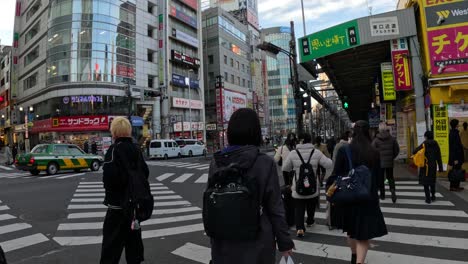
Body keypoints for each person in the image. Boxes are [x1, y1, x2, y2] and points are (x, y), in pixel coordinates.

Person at [208, 108, 294, 264]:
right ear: (256, 132)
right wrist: (284, 242)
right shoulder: (264, 162)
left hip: (223, 243)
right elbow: (275, 207)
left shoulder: (217, 162)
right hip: (258, 242)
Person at [327, 120, 387, 264]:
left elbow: (336, 174)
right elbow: (379, 179)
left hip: (349, 198)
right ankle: (359, 261)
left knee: (351, 231)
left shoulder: (344, 150)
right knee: (363, 235)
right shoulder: (374, 152)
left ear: (353, 133)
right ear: (369, 132)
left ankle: (354, 256)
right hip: (368, 199)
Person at [100, 117, 148, 264]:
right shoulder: (136, 149)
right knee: (134, 250)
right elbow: (145, 173)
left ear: (114, 132)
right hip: (134, 208)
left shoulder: (113, 150)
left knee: (110, 251)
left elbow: (108, 179)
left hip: (117, 208)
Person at [283, 132, 333, 237]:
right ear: (311, 140)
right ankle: (310, 221)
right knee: (311, 203)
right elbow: (329, 164)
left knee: (299, 206)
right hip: (313, 186)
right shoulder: (317, 152)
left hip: (298, 186)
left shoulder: (293, 153)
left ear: (299, 141)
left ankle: (300, 228)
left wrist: (295, 167)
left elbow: (285, 168)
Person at [372, 122, 400, 203]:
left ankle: (382, 195)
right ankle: (392, 190)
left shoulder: (376, 140)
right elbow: (397, 150)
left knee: (381, 179)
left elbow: (372, 150)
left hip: (380, 162)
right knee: (390, 177)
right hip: (389, 162)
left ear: (379, 129)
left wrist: (376, 158)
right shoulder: (392, 139)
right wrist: (392, 157)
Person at [413, 131, 443, 203]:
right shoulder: (436, 144)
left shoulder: (424, 144)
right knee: (432, 181)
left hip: (425, 166)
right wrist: (440, 167)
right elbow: (439, 156)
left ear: (426, 137)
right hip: (433, 165)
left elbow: (414, 151)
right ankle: (433, 196)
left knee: (426, 182)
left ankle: (428, 198)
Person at [448, 119, 465, 191]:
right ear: (456, 125)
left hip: (458, 156)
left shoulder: (455, 133)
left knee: (457, 170)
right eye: (458, 123)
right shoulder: (453, 134)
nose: (459, 125)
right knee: (455, 171)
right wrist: (455, 159)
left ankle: (456, 186)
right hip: (456, 157)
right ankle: (453, 186)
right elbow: (453, 147)